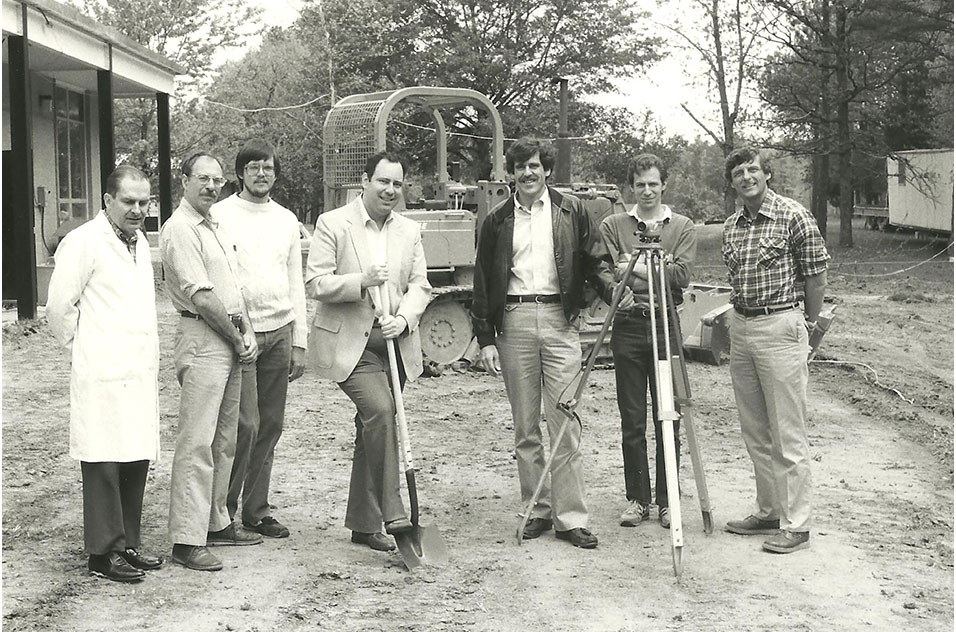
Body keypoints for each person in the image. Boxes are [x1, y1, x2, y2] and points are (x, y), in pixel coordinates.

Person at [471, 137, 622, 549]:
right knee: (525, 426)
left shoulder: (572, 211)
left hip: (559, 320)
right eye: (520, 167)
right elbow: (482, 282)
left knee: (565, 421)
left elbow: (596, 262)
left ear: (547, 170)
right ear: (510, 173)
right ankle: (535, 508)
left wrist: (611, 291)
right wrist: (485, 338)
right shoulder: (497, 220)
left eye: (535, 166)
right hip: (515, 323)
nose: (528, 173)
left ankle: (570, 517)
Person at [304, 151, 431, 552]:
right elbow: (316, 283)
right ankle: (394, 512)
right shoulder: (333, 223)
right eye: (383, 181)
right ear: (364, 180)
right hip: (350, 345)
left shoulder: (409, 231)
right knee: (381, 412)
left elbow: (420, 286)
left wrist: (405, 319)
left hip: (393, 344)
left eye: (397, 183)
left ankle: (363, 522)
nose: (390, 190)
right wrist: (361, 280)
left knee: (371, 431)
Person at [46, 165, 163, 582]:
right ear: (107, 201)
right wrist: (86, 349)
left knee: (134, 454)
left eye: (143, 202)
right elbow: (59, 306)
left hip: (136, 368)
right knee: (102, 460)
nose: (136, 210)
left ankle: (127, 543)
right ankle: (102, 553)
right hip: (101, 368)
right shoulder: (83, 242)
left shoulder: (141, 242)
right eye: (128, 201)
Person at [721, 147, 829, 554]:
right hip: (742, 325)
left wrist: (810, 325)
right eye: (738, 172)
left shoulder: (793, 215)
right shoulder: (732, 226)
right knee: (755, 430)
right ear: (731, 181)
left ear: (767, 173)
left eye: (753, 169)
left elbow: (817, 277)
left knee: (788, 432)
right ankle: (768, 510)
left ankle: (797, 525)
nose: (746, 177)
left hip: (780, 324)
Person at [160, 152, 261, 572]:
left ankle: (217, 521)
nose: (210, 186)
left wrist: (247, 330)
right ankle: (186, 539)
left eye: (217, 180)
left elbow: (231, 288)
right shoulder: (180, 229)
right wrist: (238, 337)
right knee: (197, 440)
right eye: (202, 178)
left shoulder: (213, 225)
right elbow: (202, 298)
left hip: (229, 335)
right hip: (204, 338)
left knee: (225, 438)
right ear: (183, 181)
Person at [215, 139, 307, 540]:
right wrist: (238, 329)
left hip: (281, 331)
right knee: (245, 425)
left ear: (275, 172)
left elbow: (295, 282)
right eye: (252, 167)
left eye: (267, 167)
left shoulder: (287, 219)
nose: (261, 174)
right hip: (241, 335)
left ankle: (257, 509)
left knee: (270, 424)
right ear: (240, 173)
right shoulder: (220, 216)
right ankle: (223, 513)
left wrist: (299, 339)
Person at [599, 154, 696, 530]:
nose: (647, 190)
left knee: (668, 416)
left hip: (665, 324)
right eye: (640, 184)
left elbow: (681, 277)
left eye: (653, 183)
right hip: (628, 325)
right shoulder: (614, 225)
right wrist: (654, 271)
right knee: (633, 418)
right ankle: (638, 499)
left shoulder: (682, 226)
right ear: (631, 187)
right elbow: (608, 273)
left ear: (663, 185)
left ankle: (667, 499)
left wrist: (634, 266)